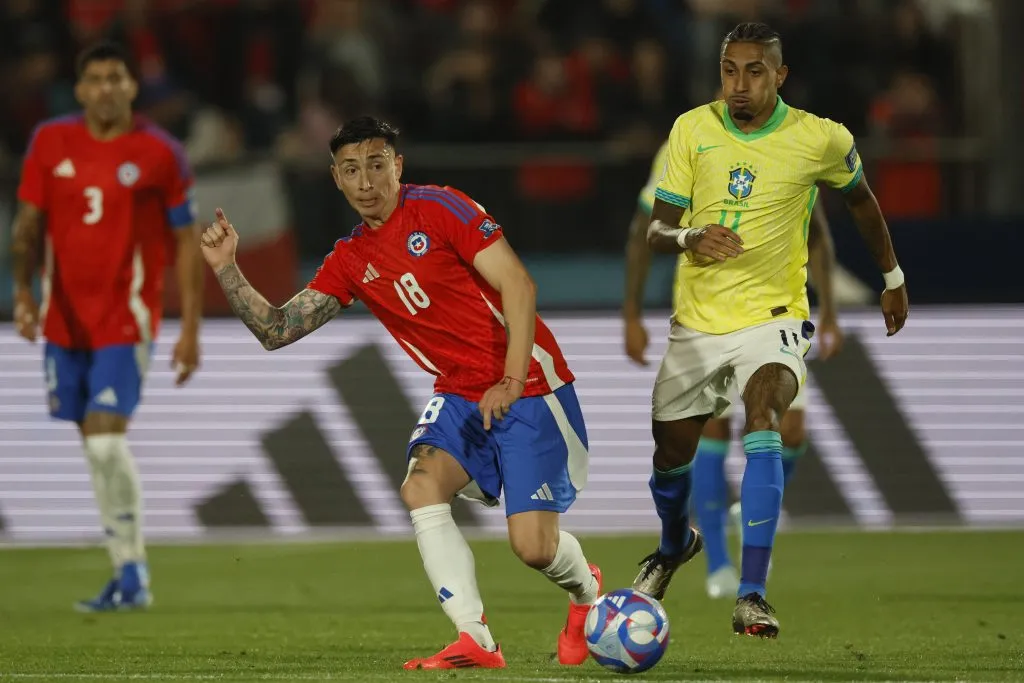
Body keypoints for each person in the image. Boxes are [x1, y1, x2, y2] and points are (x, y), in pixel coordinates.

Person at [199, 116, 600, 670]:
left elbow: (518, 284)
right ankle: (476, 639)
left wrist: (509, 381)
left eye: (376, 165)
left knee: (533, 547)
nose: (366, 181)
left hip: (528, 382)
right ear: (336, 179)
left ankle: (587, 594)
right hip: (460, 392)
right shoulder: (350, 259)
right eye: (351, 170)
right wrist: (227, 270)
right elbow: (276, 330)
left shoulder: (441, 208)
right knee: (420, 486)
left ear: (398, 167)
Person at [630, 22, 909, 638]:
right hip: (698, 323)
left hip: (775, 316)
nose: (739, 84)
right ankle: (675, 544)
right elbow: (656, 230)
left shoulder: (820, 139)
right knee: (669, 457)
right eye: (730, 70)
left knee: (765, 418)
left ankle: (751, 592)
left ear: (779, 76)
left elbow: (861, 201)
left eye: (754, 71)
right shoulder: (691, 130)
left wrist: (891, 276)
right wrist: (689, 238)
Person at [10, 42, 204, 612]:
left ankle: (135, 570)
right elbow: (27, 225)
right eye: (94, 79)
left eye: (116, 78)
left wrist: (189, 328)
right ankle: (125, 571)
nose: (106, 89)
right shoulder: (50, 142)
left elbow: (185, 242)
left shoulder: (160, 152)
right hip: (63, 319)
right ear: (79, 90)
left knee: (105, 440)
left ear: (131, 86)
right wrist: (22, 292)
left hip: (127, 316)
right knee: (94, 446)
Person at [624, 139, 845, 600]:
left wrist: (829, 312)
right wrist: (631, 314)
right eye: (731, 72)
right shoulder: (682, 145)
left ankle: (751, 510)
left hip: (774, 311)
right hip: (708, 314)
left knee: (792, 432)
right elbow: (646, 227)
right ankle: (719, 566)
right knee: (713, 431)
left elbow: (817, 230)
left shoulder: (794, 140)